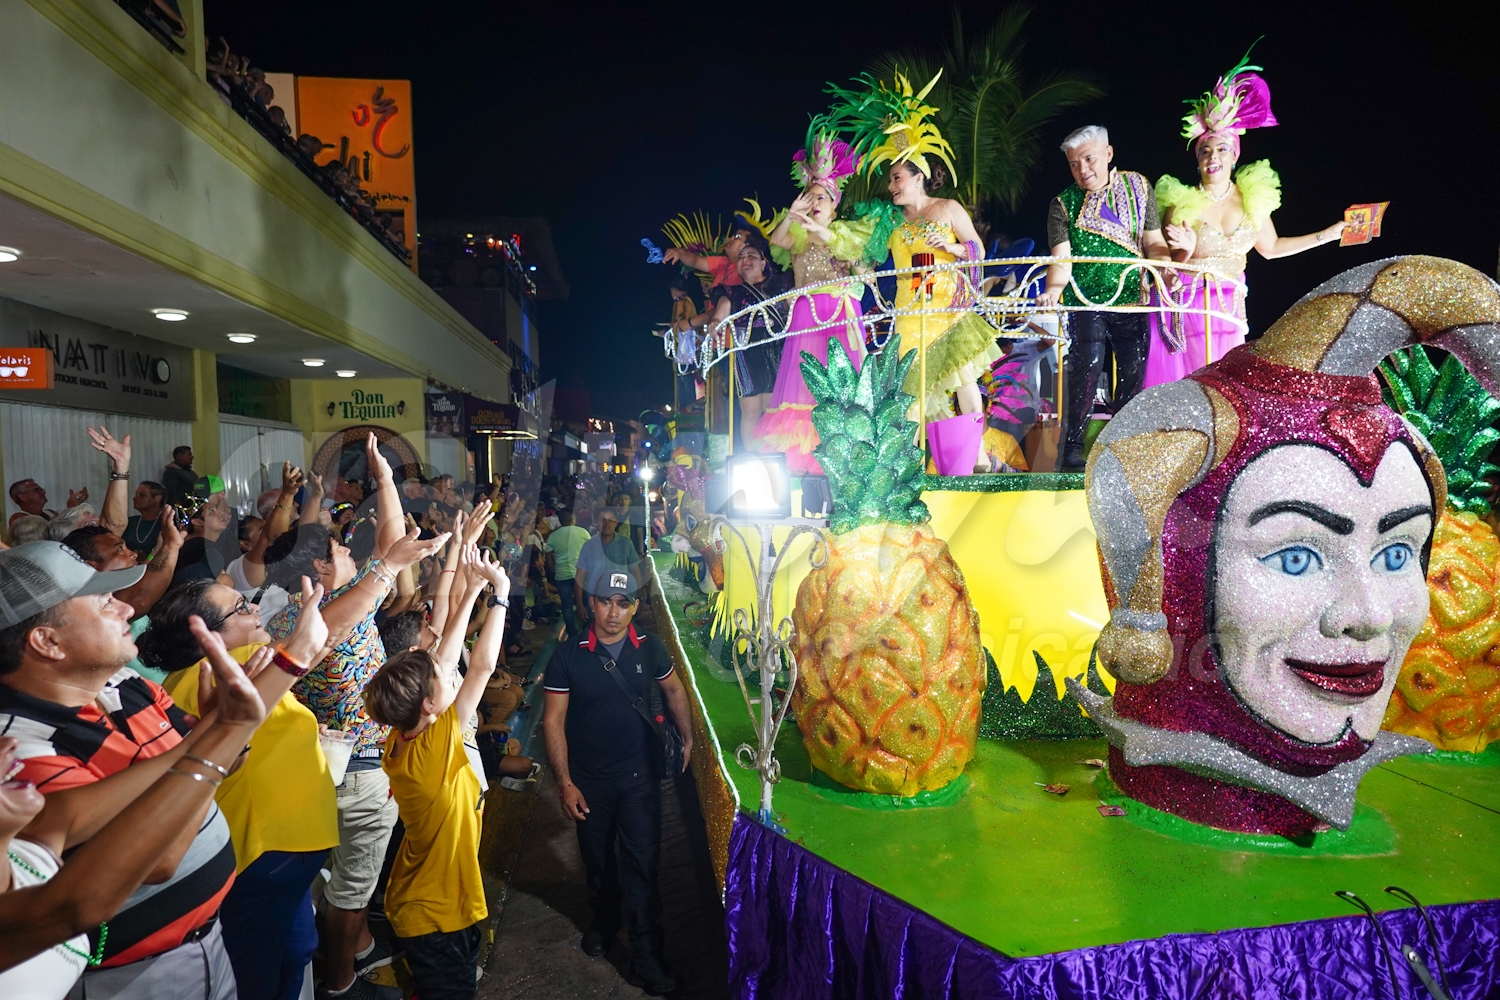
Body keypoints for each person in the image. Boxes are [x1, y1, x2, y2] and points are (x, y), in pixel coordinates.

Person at [1074, 257, 1500, 836]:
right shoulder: (1193, 428)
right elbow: (1126, 477)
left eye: (1397, 554)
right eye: (1296, 557)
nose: (1369, 616)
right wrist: (1138, 615)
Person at [0, 540, 320, 998]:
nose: (127, 611)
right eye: (104, 602)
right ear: (46, 641)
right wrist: (223, 731)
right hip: (136, 974)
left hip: (209, 938)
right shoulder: (21, 750)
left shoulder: (124, 683)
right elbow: (161, 855)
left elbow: (220, 764)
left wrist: (219, 739)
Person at [265, 434, 451, 1000]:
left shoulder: (329, 603)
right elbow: (360, 595)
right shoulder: (311, 621)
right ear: (321, 566)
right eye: (343, 548)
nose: (355, 551)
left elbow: (394, 546)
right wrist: (383, 564)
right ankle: (340, 982)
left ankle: (361, 950)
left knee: (339, 878)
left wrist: (385, 478)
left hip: (333, 768)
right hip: (357, 775)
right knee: (351, 888)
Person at [138, 578, 338, 1000]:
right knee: (255, 974)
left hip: (284, 855)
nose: (254, 610)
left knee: (292, 953)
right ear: (208, 637)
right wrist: (386, 568)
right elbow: (317, 639)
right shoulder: (216, 671)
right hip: (263, 853)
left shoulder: (232, 668)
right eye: (241, 608)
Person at [820, 73, 1000, 468]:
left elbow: (978, 250)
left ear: (919, 177)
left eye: (897, 177)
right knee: (909, 391)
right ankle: (908, 466)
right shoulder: (893, 225)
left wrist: (950, 246)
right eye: (890, 180)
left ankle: (981, 458)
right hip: (909, 315)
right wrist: (853, 266)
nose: (892, 186)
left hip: (948, 311)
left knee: (964, 381)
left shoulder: (948, 208)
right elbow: (868, 260)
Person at [1144, 52, 1348, 388]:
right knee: (1200, 385)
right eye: (1206, 150)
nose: (1213, 157)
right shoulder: (1182, 203)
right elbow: (1166, 272)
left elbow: (1271, 247)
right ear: (1197, 158)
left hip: (1231, 307)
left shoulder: (1252, 196)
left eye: (1222, 149)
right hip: (1192, 307)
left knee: (1231, 386)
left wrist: (1328, 234)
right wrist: (1184, 252)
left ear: (1235, 154)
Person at [361, 544, 509, 1000]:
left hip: (426, 900)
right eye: (443, 682)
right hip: (436, 914)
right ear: (429, 705)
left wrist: (473, 590)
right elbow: (480, 667)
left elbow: (445, 655)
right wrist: (500, 593)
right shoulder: (436, 748)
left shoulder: (402, 738)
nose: (450, 675)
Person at [542, 572, 694, 995]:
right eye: (606, 602)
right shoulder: (568, 655)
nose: (614, 612)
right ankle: (604, 921)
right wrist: (565, 783)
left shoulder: (649, 646)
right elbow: (552, 720)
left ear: (634, 607)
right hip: (588, 783)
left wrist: (688, 737)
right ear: (591, 604)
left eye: (623, 603)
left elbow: (674, 690)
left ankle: (646, 954)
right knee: (597, 860)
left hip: (639, 778)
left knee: (643, 864)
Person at [1038, 125, 1172, 470]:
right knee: (1088, 366)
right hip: (1086, 303)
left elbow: (1153, 242)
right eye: (1073, 164)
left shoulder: (1139, 188)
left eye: (1089, 159)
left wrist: (1166, 263)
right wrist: (1054, 288)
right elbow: (1061, 259)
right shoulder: (1062, 204)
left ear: (1108, 154)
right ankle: (1070, 452)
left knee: (1132, 371)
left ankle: (1122, 450)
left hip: (1131, 299)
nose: (1083, 170)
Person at [761, 131, 881, 475]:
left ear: (835, 205)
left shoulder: (845, 231)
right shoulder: (798, 233)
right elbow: (777, 240)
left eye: (822, 198)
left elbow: (863, 269)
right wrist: (791, 213)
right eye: (810, 196)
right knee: (804, 384)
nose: (815, 203)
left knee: (843, 384)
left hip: (840, 313)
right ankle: (808, 463)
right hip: (808, 314)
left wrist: (857, 267)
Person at [704, 232, 790, 450]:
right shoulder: (730, 291)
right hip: (747, 349)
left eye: (751, 255)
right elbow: (720, 313)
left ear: (763, 263)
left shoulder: (780, 284)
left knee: (773, 406)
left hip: (777, 347)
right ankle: (753, 458)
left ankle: (776, 456)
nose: (745, 260)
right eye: (741, 257)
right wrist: (715, 322)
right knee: (750, 410)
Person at [574, 509, 640, 619]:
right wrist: (579, 604)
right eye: (602, 520)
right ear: (596, 522)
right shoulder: (588, 546)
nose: (606, 524)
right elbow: (579, 577)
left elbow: (635, 572)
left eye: (610, 520)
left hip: (622, 600)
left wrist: (637, 597)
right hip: (595, 602)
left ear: (616, 522)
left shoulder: (626, 543)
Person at [545, 508, 589, 635]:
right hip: (582, 574)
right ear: (573, 519)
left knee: (566, 605)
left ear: (560, 520)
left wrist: (554, 571)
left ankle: (572, 633)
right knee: (586, 602)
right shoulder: (583, 532)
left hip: (562, 575)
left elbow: (548, 557)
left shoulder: (553, 535)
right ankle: (587, 630)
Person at [7, 479, 85, 534]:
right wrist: (71, 509)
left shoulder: (50, 513)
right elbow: (50, 534)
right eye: (37, 490)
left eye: (42, 489)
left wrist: (74, 507)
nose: (44, 492)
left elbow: (69, 529)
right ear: (22, 497)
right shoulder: (18, 518)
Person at [125, 482, 167, 556]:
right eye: (136, 495)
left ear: (157, 499)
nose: (134, 498)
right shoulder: (130, 522)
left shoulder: (166, 523)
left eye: (142, 495)